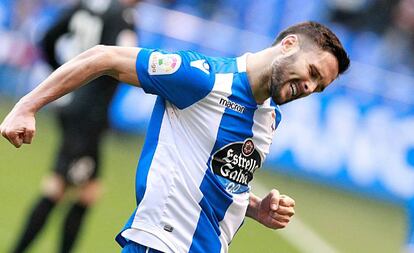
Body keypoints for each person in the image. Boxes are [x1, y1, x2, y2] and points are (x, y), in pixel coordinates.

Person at [1, 21, 350, 253]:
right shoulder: (204, 79)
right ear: (289, 44)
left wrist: (256, 208)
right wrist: (26, 106)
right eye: (313, 72)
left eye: (318, 87)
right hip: (163, 244)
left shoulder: (270, 117)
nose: (309, 87)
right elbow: (103, 56)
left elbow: (216, 181)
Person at [8, 0, 138, 252]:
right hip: (89, 115)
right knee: (60, 187)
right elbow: (126, 58)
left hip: (71, 104)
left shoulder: (83, 5)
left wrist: (61, 73)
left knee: (89, 191)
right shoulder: (122, 16)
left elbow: (48, 36)